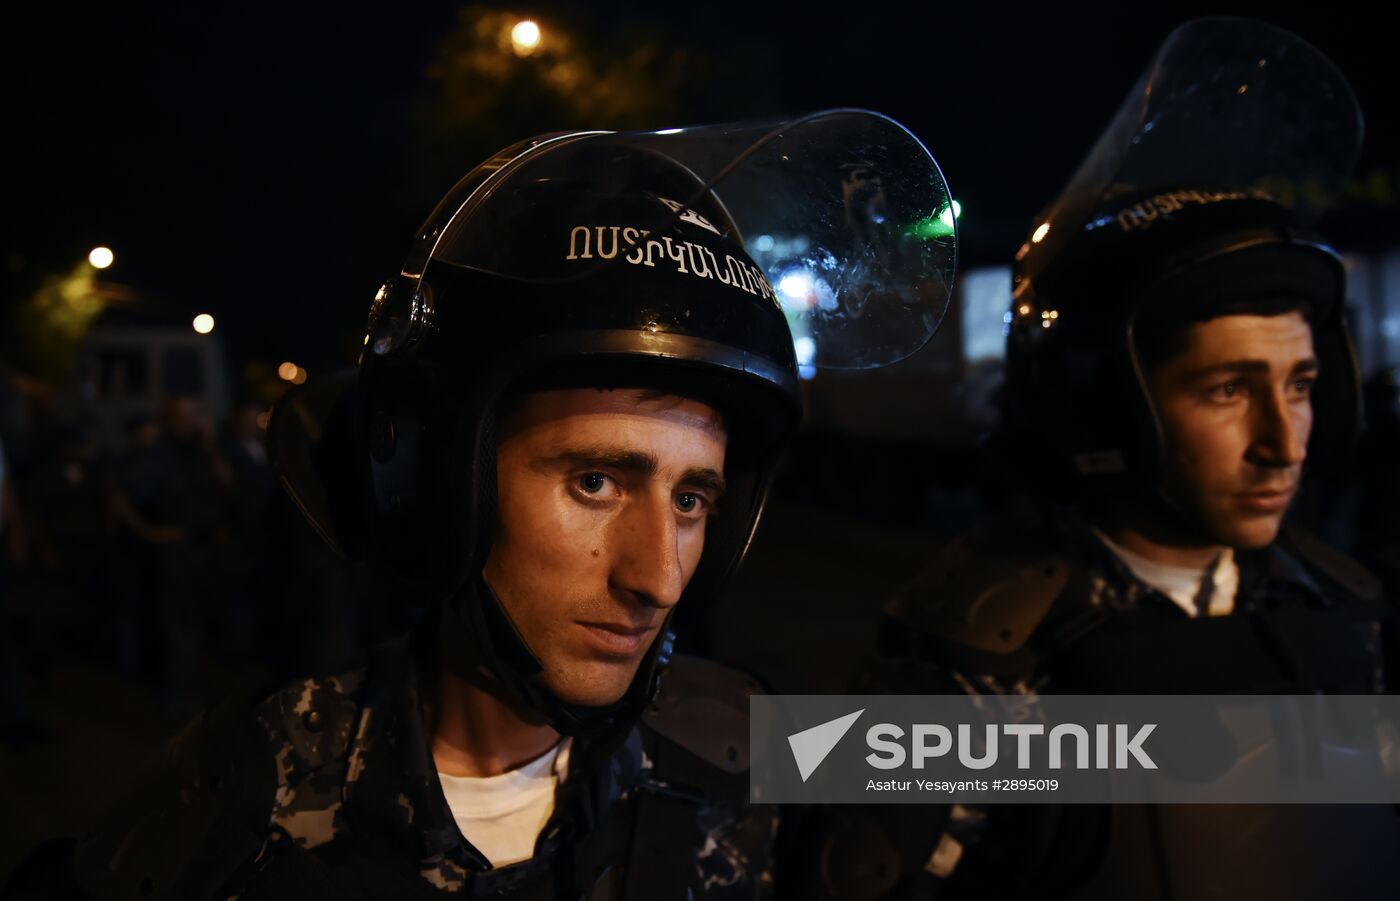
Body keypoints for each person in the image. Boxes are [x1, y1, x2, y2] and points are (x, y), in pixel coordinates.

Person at [5, 112, 954, 899]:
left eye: (693, 496)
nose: (657, 576)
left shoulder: (737, 734)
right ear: (436, 481)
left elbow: (1089, 751)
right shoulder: (251, 792)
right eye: (596, 481)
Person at [792, 18, 1400, 900]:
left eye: (1301, 384)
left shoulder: (1354, 617)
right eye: (1228, 390)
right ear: (1114, 405)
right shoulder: (976, 655)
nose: (1283, 442)